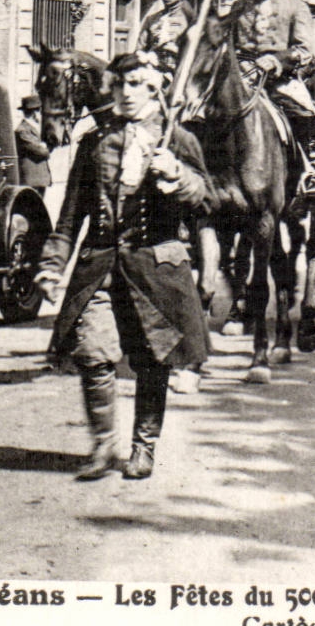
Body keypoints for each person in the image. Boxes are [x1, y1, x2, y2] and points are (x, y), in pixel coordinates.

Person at [36, 52, 212, 480]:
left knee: (153, 359)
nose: (126, 93)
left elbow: (207, 202)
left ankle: (143, 447)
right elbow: (71, 215)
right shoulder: (95, 143)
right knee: (92, 353)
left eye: (136, 85)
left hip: (155, 269)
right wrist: (52, 265)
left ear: (155, 89)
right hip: (99, 266)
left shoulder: (179, 139)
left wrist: (178, 177)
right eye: (120, 85)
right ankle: (102, 445)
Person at [229, 0, 315, 204]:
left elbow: (303, 50)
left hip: (279, 78)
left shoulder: (295, 6)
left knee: (305, 109)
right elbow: (228, 42)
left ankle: (310, 172)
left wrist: (276, 60)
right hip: (243, 75)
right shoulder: (240, 6)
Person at [136, 0, 198, 73]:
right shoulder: (152, 19)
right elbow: (140, 49)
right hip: (152, 71)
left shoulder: (191, 19)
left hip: (181, 73)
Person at [16, 94, 52, 190]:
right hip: (32, 180)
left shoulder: (34, 128)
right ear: (35, 113)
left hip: (39, 179)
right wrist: (44, 147)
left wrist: (43, 146)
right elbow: (41, 152)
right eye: (39, 111)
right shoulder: (22, 130)